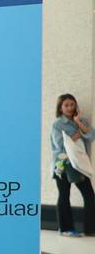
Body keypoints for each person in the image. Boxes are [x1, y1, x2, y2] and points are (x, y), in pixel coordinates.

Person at [51, 93, 95, 236]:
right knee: (64, 194)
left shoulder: (82, 120)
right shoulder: (58, 124)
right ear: (60, 108)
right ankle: (65, 229)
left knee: (89, 195)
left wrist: (79, 123)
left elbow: (92, 136)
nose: (70, 107)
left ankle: (91, 229)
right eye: (66, 105)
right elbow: (60, 145)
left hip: (79, 163)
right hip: (62, 163)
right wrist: (79, 133)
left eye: (72, 104)